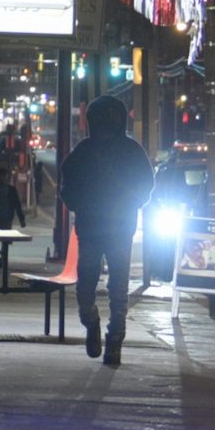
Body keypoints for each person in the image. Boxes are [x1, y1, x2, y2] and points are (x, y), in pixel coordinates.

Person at [59, 96, 154, 366]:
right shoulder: (84, 152)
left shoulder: (129, 151)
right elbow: (68, 185)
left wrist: (130, 202)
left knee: (118, 287)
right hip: (93, 227)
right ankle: (91, 321)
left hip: (118, 227)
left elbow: (146, 184)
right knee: (86, 283)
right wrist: (78, 204)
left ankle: (115, 339)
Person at [0, 164, 26, 260]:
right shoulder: (11, 190)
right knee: (5, 238)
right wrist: (21, 220)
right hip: (6, 217)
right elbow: (17, 205)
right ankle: (2, 255)